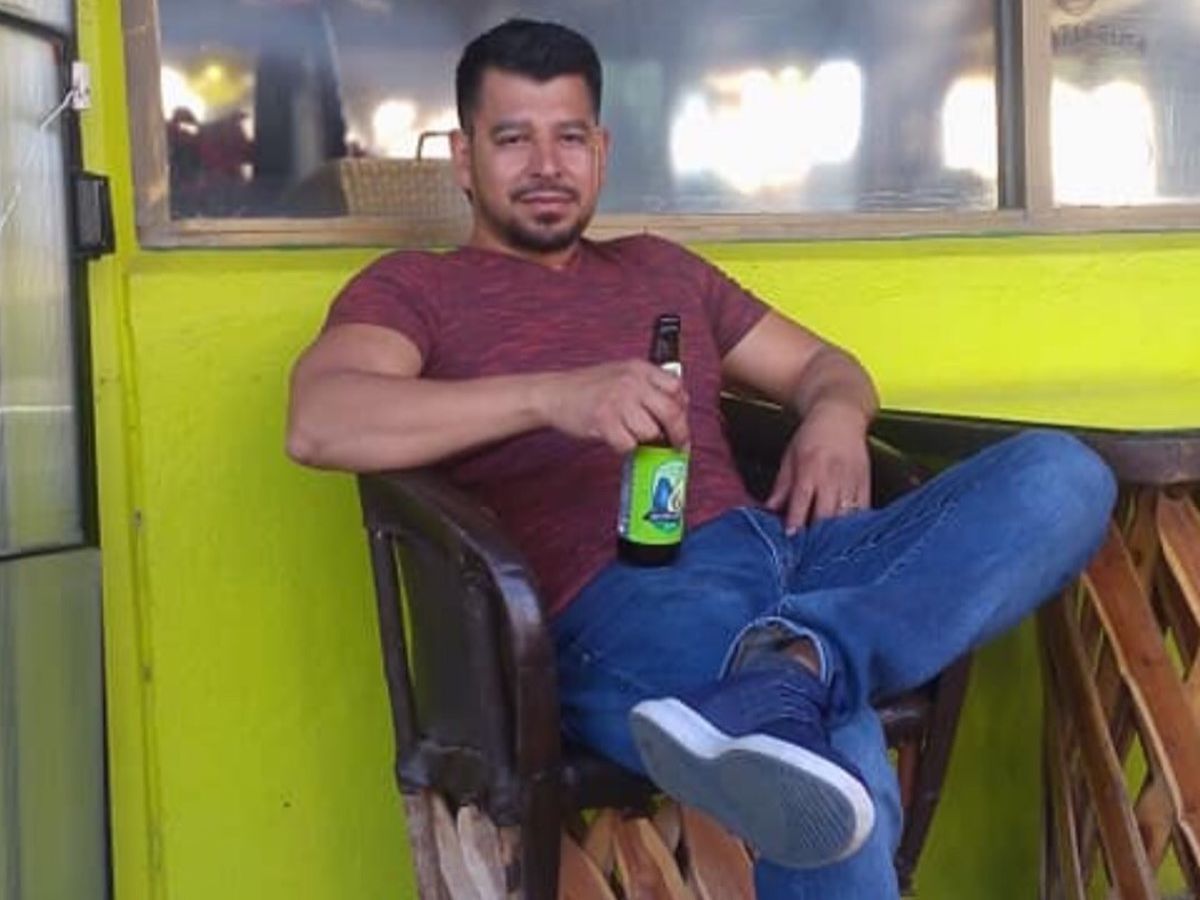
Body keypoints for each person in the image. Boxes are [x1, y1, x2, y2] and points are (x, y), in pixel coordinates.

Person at [286, 18, 1116, 899]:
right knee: (829, 753)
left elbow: (825, 366)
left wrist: (836, 416)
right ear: (463, 157)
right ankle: (795, 682)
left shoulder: (662, 270)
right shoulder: (416, 287)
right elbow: (321, 419)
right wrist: (550, 397)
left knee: (1063, 477)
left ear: (602, 150)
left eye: (570, 138)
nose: (547, 165)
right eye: (514, 139)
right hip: (626, 599)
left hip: (794, 552)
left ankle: (795, 668)